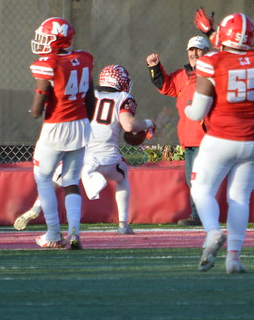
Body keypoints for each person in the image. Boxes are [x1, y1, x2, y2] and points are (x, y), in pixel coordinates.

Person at [187, 12, 254, 274]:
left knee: (200, 189)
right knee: (239, 198)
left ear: (223, 34)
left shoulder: (212, 61)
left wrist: (188, 108)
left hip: (221, 138)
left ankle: (212, 232)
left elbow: (198, 112)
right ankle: (233, 258)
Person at [13, 64, 157, 235]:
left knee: (55, 182)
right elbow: (129, 125)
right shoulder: (123, 97)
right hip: (108, 159)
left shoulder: (89, 95)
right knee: (123, 177)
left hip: (80, 154)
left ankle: (36, 207)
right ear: (121, 82)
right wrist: (149, 123)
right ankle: (123, 224)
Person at [25, 17, 96, 249]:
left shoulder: (49, 64)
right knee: (71, 181)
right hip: (81, 124)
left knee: (43, 178)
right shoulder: (84, 59)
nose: (41, 42)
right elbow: (90, 99)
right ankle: (74, 232)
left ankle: (54, 234)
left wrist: (34, 109)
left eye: (46, 38)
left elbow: (37, 110)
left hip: (56, 127)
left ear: (58, 40)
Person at [145, 34, 211, 225]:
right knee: (193, 180)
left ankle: (200, 216)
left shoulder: (212, 73)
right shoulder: (183, 76)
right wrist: (155, 67)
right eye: (192, 49)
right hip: (189, 137)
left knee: (199, 179)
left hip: (205, 136)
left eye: (199, 49)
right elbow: (165, 85)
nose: (195, 53)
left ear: (207, 52)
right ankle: (199, 215)